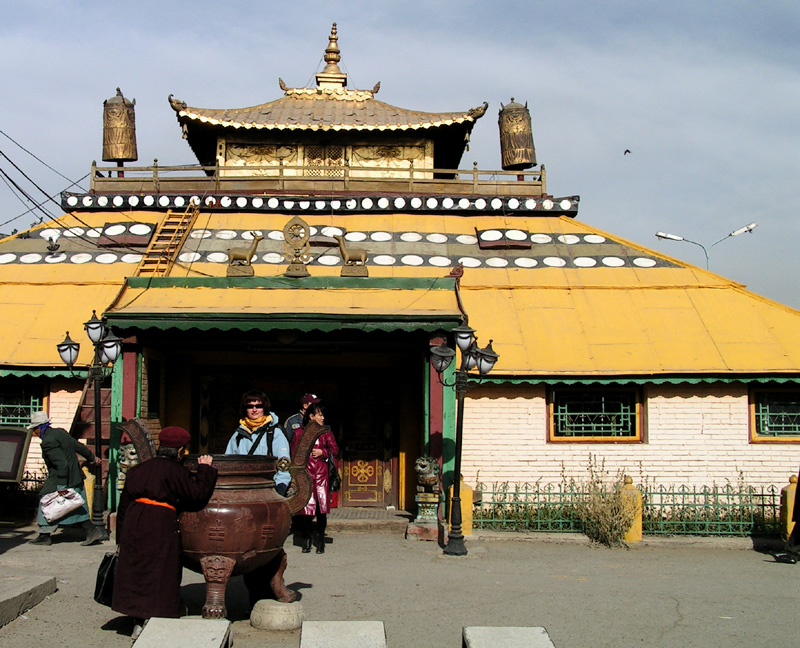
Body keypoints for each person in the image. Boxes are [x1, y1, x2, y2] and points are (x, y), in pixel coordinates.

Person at [112, 426, 216, 639]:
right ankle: (152, 617)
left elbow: (123, 506)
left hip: (134, 522)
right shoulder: (175, 471)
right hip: (159, 524)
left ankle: (136, 619)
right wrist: (205, 469)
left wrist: (120, 536)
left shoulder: (138, 470)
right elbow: (197, 495)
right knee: (159, 570)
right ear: (180, 451)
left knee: (136, 569)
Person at [27, 410, 103, 546]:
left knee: (46, 503)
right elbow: (78, 446)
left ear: (40, 428)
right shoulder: (60, 433)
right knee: (76, 505)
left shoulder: (47, 442)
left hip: (62, 477)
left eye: (34, 430)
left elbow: (61, 464)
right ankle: (91, 531)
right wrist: (92, 458)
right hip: (75, 476)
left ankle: (44, 535)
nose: (34, 433)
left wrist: (61, 487)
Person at [290, 402, 339, 554]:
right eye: (319, 414)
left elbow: (335, 450)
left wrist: (323, 452)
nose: (322, 418)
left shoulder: (326, 433)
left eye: (323, 415)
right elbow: (294, 454)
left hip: (322, 475)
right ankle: (307, 539)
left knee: (321, 510)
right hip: (306, 475)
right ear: (311, 417)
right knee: (306, 509)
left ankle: (321, 541)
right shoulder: (299, 433)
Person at [225, 389, 291, 496]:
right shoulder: (238, 435)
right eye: (250, 406)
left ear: (264, 408)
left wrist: (279, 489)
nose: (254, 410)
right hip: (242, 489)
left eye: (258, 406)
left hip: (267, 489)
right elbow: (228, 463)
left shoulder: (275, 433)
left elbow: (283, 465)